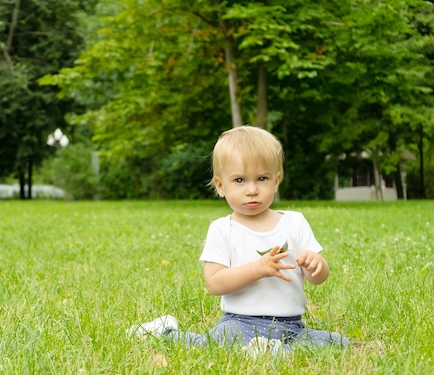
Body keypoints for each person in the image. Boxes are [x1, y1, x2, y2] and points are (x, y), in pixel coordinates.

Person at [128, 126, 348, 355]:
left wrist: (316, 265)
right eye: (240, 180)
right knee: (214, 346)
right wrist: (258, 269)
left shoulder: (294, 222)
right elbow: (215, 283)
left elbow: (318, 278)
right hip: (239, 323)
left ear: (276, 181)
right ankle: (164, 333)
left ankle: (271, 350)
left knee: (337, 343)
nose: (252, 190)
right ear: (221, 186)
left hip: (290, 326)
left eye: (262, 178)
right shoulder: (223, 229)